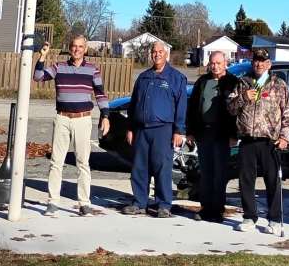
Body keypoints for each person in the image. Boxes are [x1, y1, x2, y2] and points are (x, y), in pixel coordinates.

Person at [34, 34, 110, 216]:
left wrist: (105, 115)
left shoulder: (92, 70)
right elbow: (38, 77)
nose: (77, 49)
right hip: (62, 118)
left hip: (83, 120)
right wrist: (42, 57)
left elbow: (100, 94)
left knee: (83, 163)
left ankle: (84, 203)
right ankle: (52, 202)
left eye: (80, 47)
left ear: (85, 49)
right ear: (70, 48)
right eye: (74, 46)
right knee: (56, 162)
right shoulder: (59, 67)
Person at [227, 47, 289, 233]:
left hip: (269, 141)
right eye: (256, 60)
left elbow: (288, 114)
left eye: (263, 61)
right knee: (246, 180)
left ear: (268, 64)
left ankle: (274, 220)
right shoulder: (243, 83)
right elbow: (230, 108)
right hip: (248, 139)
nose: (259, 64)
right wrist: (243, 98)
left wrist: (284, 138)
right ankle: (249, 217)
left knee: (272, 181)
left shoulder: (279, 85)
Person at [123, 40, 188, 218]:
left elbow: (181, 106)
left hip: (163, 130)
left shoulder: (176, 78)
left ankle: (163, 204)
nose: (157, 54)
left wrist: (178, 130)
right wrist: (130, 127)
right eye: (154, 51)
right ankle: (139, 202)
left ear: (166, 54)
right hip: (142, 130)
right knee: (139, 167)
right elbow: (133, 104)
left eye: (160, 51)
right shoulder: (143, 77)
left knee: (162, 167)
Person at [186, 51, 238, 222]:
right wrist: (191, 131)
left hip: (222, 134)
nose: (215, 66)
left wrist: (234, 135)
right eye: (212, 63)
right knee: (206, 172)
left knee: (220, 173)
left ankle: (218, 209)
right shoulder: (202, 82)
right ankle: (205, 207)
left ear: (225, 64)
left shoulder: (233, 82)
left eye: (218, 63)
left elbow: (237, 112)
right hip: (204, 133)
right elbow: (193, 106)